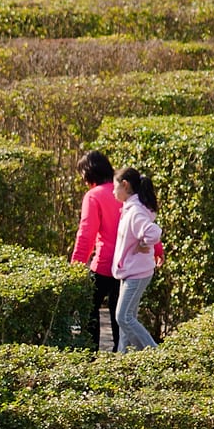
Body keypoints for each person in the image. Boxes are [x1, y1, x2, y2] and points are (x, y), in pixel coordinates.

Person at [70, 150, 121, 351]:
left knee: (89, 308)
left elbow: (86, 234)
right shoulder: (124, 190)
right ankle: (122, 355)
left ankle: (89, 353)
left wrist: (76, 264)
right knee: (120, 313)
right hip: (128, 263)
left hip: (104, 262)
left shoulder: (94, 196)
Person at [111, 166, 161, 353]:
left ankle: (153, 351)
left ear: (125, 185)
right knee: (128, 317)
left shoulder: (135, 212)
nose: (113, 191)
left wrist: (145, 244)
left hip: (137, 273)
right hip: (132, 271)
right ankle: (123, 357)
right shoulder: (131, 209)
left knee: (123, 317)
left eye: (115, 187)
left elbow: (154, 232)